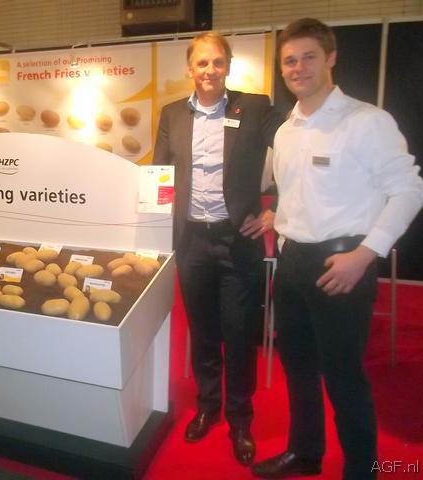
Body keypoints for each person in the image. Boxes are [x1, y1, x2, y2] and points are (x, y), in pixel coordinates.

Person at [251, 18, 423, 480]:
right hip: (292, 261)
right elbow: (295, 191)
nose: (298, 68)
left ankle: (362, 471)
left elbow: (410, 190)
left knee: (345, 377)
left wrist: (365, 255)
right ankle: (305, 453)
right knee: (298, 367)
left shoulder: (367, 122)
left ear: (330, 58)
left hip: (343, 262)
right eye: (290, 60)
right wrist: (278, 219)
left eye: (309, 57)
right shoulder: (285, 130)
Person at [153, 32, 283, 465]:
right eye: (202, 63)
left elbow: (297, 153)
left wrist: (278, 210)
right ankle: (208, 406)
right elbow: (158, 176)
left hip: (237, 240)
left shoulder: (256, 107)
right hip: (191, 241)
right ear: (190, 69)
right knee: (203, 330)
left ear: (228, 66)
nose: (210, 70)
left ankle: (240, 419)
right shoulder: (172, 114)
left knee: (239, 333)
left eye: (217, 62)